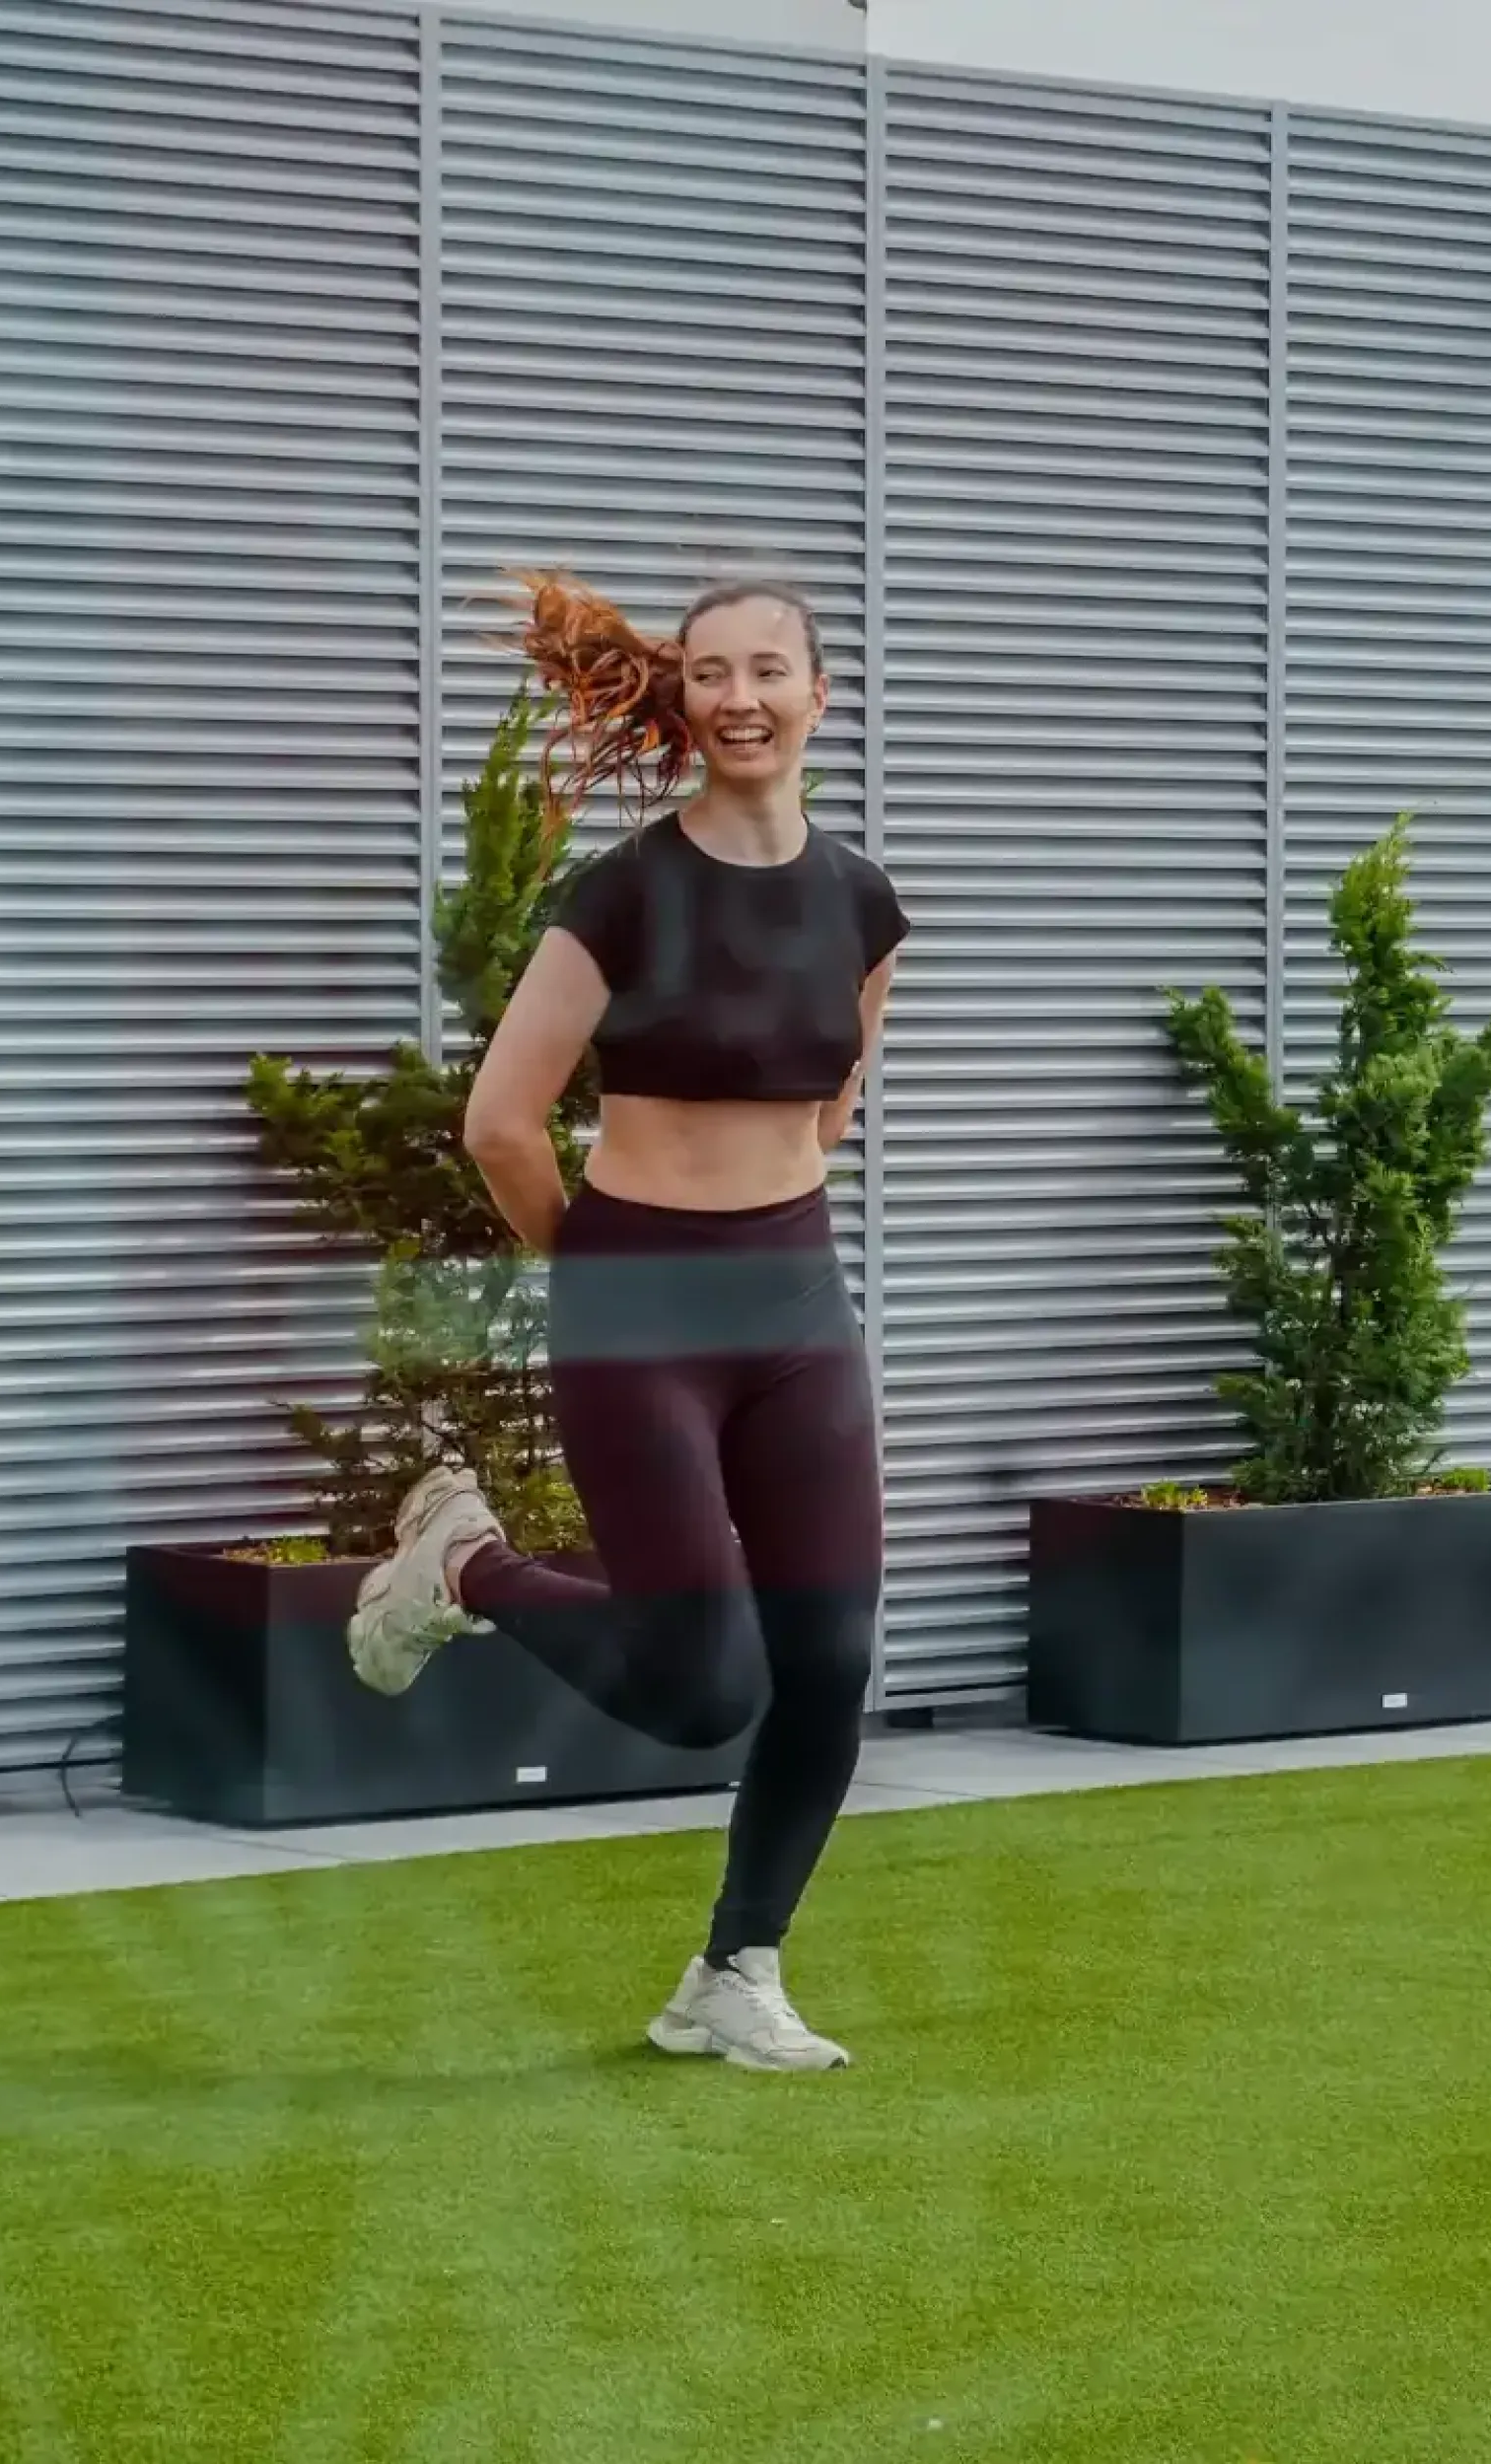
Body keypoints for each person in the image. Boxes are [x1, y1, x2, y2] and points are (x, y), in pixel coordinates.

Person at [346, 572, 907, 2073]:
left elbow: (834, 1097)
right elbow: (500, 1124)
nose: (742, 697)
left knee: (832, 1657)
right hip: (638, 1296)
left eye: (769, 670)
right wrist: (604, 1272)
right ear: (683, 696)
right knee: (700, 1682)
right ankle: (466, 1559)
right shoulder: (623, 894)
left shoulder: (864, 900)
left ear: (818, 694)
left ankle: (736, 1970)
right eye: (713, 672)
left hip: (795, 1296)